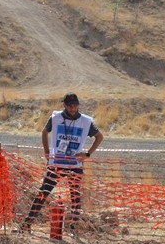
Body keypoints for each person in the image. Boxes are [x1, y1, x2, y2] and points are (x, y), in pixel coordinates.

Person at [21, 93, 103, 232]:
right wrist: (47, 152)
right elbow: (44, 132)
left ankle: (73, 228)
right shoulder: (56, 118)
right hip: (57, 163)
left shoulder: (85, 121)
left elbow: (99, 137)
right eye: (69, 105)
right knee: (43, 193)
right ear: (64, 105)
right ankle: (27, 224)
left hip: (74, 164)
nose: (72, 108)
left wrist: (87, 154)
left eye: (75, 105)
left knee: (75, 198)